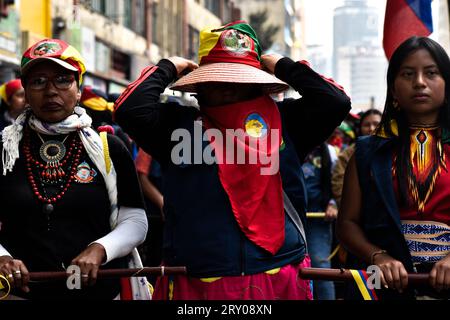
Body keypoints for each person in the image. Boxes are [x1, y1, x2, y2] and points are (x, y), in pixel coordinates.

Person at [114, 20, 350, 300]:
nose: (228, 85)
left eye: (240, 77)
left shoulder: (288, 121)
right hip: (197, 278)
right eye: (219, 77)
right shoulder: (176, 126)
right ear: (199, 88)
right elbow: (129, 109)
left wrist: (283, 65)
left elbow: (335, 102)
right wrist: (168, 67)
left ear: (257, 84)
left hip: (278, 274)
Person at [0, 38, 149, 300]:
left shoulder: (109, 147)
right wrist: (2, 258)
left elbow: (135, 221)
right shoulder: (4, 148)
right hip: (22, 293)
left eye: (62, 80)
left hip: (98, 292)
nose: (50, 91)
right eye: (38, 81)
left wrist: (100, 249)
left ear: (79, 89)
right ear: (25, 90)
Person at [336, 36, 450, 300]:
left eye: (431, 73)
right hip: (385, 288)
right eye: (408, 74)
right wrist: (378, 256)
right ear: (394, 90)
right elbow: (347, 225)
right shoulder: (366, 153)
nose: (419, 82)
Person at [331, 109, 382, 207]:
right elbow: (338, 184)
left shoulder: (394, 150)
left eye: (376, 124)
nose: (371, 128)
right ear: (360, 128)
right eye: (366, 125)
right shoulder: (348, 154)